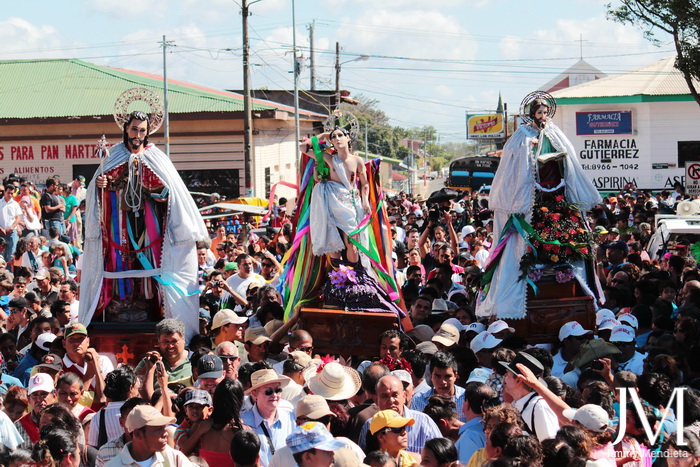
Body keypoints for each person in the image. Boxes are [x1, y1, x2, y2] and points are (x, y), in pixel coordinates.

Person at [82, 108, 208, 337]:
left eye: (142, 130)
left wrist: (155, 189)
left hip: (151, 223)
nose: (137, 135)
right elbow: (98, 191)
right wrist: (101, 184)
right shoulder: (112, 155)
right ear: (125, 129)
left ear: (148, 132)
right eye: (133, 129)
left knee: (148, 262)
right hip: (119, 221)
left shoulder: (157, 157)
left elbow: (171, 192)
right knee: (120, 260)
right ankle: (122, 301)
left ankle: (147, 302)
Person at [476, 92, 600, 320]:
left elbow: (571, 161)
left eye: (545, 112)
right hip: (531, 197)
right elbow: (514, 170)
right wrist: (532, 153)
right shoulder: (520, 136)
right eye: (539, 112)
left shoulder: (555, 133)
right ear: (531, 114)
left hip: (556, 192)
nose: (542, 117)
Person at [106, 405, 194, 467]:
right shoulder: (114, 465)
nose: (165, 433)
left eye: (164, 428)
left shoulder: (174, 457)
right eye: (158, 429)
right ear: (138, 434)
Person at [241, 369, 295, 466]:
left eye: (278, 390)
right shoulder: (243, 421)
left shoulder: (291, 419)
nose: (274, 395)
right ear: (254, 394)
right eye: (268, 391)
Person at [16, 373, 56, 449]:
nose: (38, 399)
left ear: (54, 396)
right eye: (34, 395)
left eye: (44, 394)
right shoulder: (18, 427)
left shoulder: (65, 422)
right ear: (28, 399)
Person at [0, 185, 22, 263]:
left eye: (12, 193)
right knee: (1, 253)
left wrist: (12, 227)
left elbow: (17, 218)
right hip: (1, 232)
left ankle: (10, 272)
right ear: (5, 192)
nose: (10, 195)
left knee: (11, 252)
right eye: (8, 193)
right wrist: (1, 229)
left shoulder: (15, 204)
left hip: (12, 231)